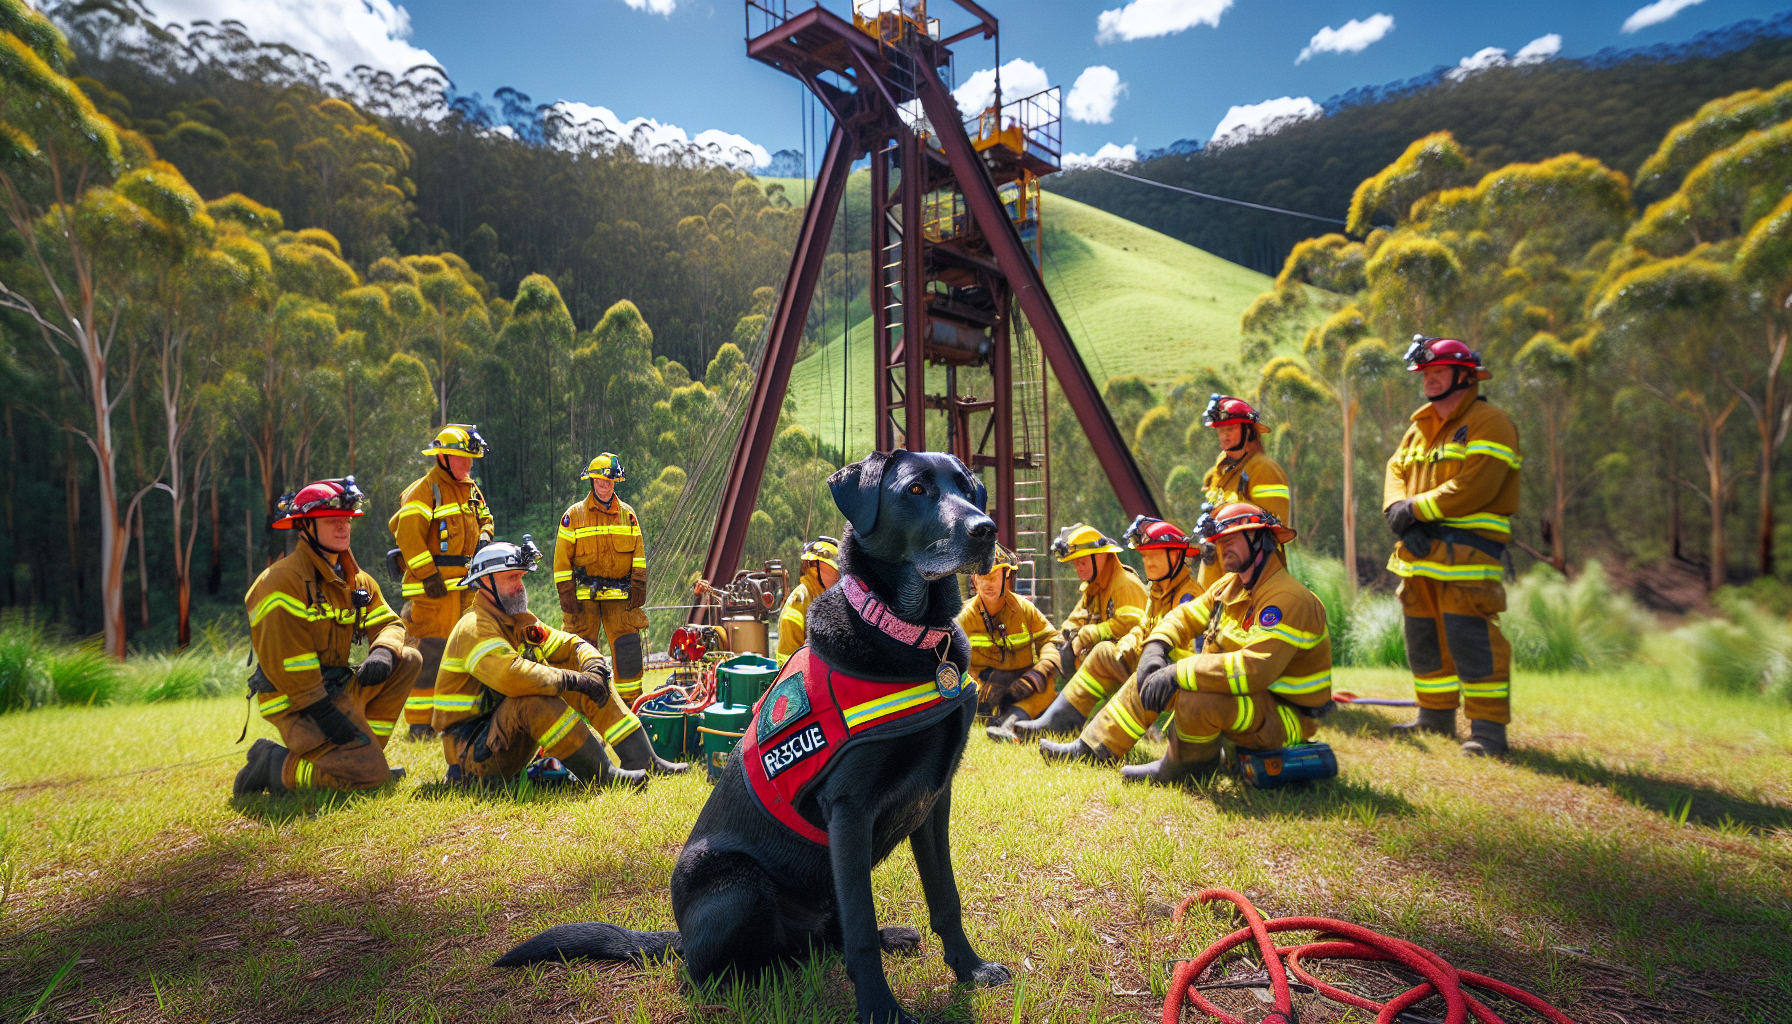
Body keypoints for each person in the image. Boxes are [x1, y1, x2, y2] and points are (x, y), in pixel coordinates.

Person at [1053, 502, 1332, 785]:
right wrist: (1156, 646)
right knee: (1151, 673)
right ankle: (1095, 747)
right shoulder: (1230, 586)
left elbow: (1253, 670)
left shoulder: (1286, 599)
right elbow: (1186, 616)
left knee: (1196, 693)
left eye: (1231, 539)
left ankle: (1184, 769)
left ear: (1260, 539)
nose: (1223, 549)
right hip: (1248, 704)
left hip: (1284, 720)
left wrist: (1176, 673)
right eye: (1219, 542)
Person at [236, 477, 422, 797]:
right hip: (299, 704)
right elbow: (290, 664)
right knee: (372, 782)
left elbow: (390, 623)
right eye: (331, 520)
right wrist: (323, 713)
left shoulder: (355, 579)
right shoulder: (282, 582)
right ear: (306, 526)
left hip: (336, 688)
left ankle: (363, 756)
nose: (343, 527)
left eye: (346, 520)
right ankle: (274, 763)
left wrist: (382, 651)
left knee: (407, 658)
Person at [432, 538, 669, 787]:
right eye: (511, 578)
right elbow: (512, 676)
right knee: (536, 696)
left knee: (589, 678)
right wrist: (573, 680)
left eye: (521, 578)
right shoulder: (474, 627)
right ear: (485, 582)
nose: (520, 586)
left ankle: (642, 759)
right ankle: (602, 776)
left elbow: (566, 644)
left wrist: (592, 665)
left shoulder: (516, 621)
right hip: (472, 758)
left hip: (499, 738)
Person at [1382, 336, 1521, 757]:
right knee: (1422, 636)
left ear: (1464, 375)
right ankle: (1435, 715)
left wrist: (1414, 510)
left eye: (1437, 372)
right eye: (1425, 374)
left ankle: (1488, 731)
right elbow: (1395, 470)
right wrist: (1396, 511)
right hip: (1419, 556)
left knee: (1471, 639)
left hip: (1467, 555)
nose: (1428, 380)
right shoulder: (1418, 428)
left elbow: (1476, 485)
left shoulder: (1490, 422)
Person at [1017, 516, 1205, 751]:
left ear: (1176, 555)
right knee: (1103, 653)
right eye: (1144, 555)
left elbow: (1193, 653)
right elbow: (1143, 627)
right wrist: (1127, 643)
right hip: (1149, 661)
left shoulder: (1188, 597)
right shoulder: (1159, 591)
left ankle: (1095, 748)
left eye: (1155, 554)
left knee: (1138, 678)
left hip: (1174, 678)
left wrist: (1142, 653)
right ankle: (1057, 723)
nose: (1147, 562)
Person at [390, 424, 494, 741]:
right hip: (431, 595)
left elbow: (486, 518)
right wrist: (428, 574)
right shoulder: (424, 490)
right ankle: (420, 725)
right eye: (464, 458)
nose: (469, 464)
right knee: (429, 655)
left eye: (471, 458)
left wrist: (486, 539)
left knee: (464, 654)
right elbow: (408, 536)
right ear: (445, 457)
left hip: (464, 590)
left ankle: (459, 719)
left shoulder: (471, 488)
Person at [995, 523, 1147, 736]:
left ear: (1101, 557)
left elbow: (1134, 625)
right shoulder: (1095, 587)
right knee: (1051, 664)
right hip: (1102, 666)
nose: (1079, 569)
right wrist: (1062, 641)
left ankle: (1030, 722)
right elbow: (1075, 619)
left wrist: (1087, 635)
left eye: (1083, 562)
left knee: (1065, 667)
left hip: (1127, 669)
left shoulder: (1124, 585)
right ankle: (1012, 719)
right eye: (1075, 564)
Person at [554, 453, 651, 705]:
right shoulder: (573, 516)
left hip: (620, 601)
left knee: (628, 650)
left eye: (610, 482)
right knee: (583, 651)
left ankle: (631, 704)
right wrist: (567, 596)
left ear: (616, 483)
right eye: (600, 481)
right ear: (592, 481)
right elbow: (562, 560)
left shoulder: (628, 515)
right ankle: (583, 704)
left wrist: (638, 587)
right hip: (585, 599)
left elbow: (638, 556)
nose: (605, 486)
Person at [958, 544, 1060, 728]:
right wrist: (979, 688)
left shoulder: (1024, 610)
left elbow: (1052, 641)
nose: (988, 584)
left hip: (1022, 688)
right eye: (982, 577)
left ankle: (1023, 716)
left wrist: (1038, 674)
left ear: (1006, 575)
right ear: (973, 578)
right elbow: (950, 664)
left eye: (994, 576)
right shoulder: (962, 618)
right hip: (981, 692)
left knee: (1053, 681)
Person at [1196, 395, 1290, 590]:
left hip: (1252, 584)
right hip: (1215, 582)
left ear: (1248, 431)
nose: (1223, 435)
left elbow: (1272, 531)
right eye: (1220, 430)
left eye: (1230, 429)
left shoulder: (1264, 470)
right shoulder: (1219, 472)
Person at [776, 536, 841, 664]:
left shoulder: (831, 600)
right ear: (815, 569)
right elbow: (786, 657)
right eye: (832, 571)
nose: (837, 577)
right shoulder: (799, 601)